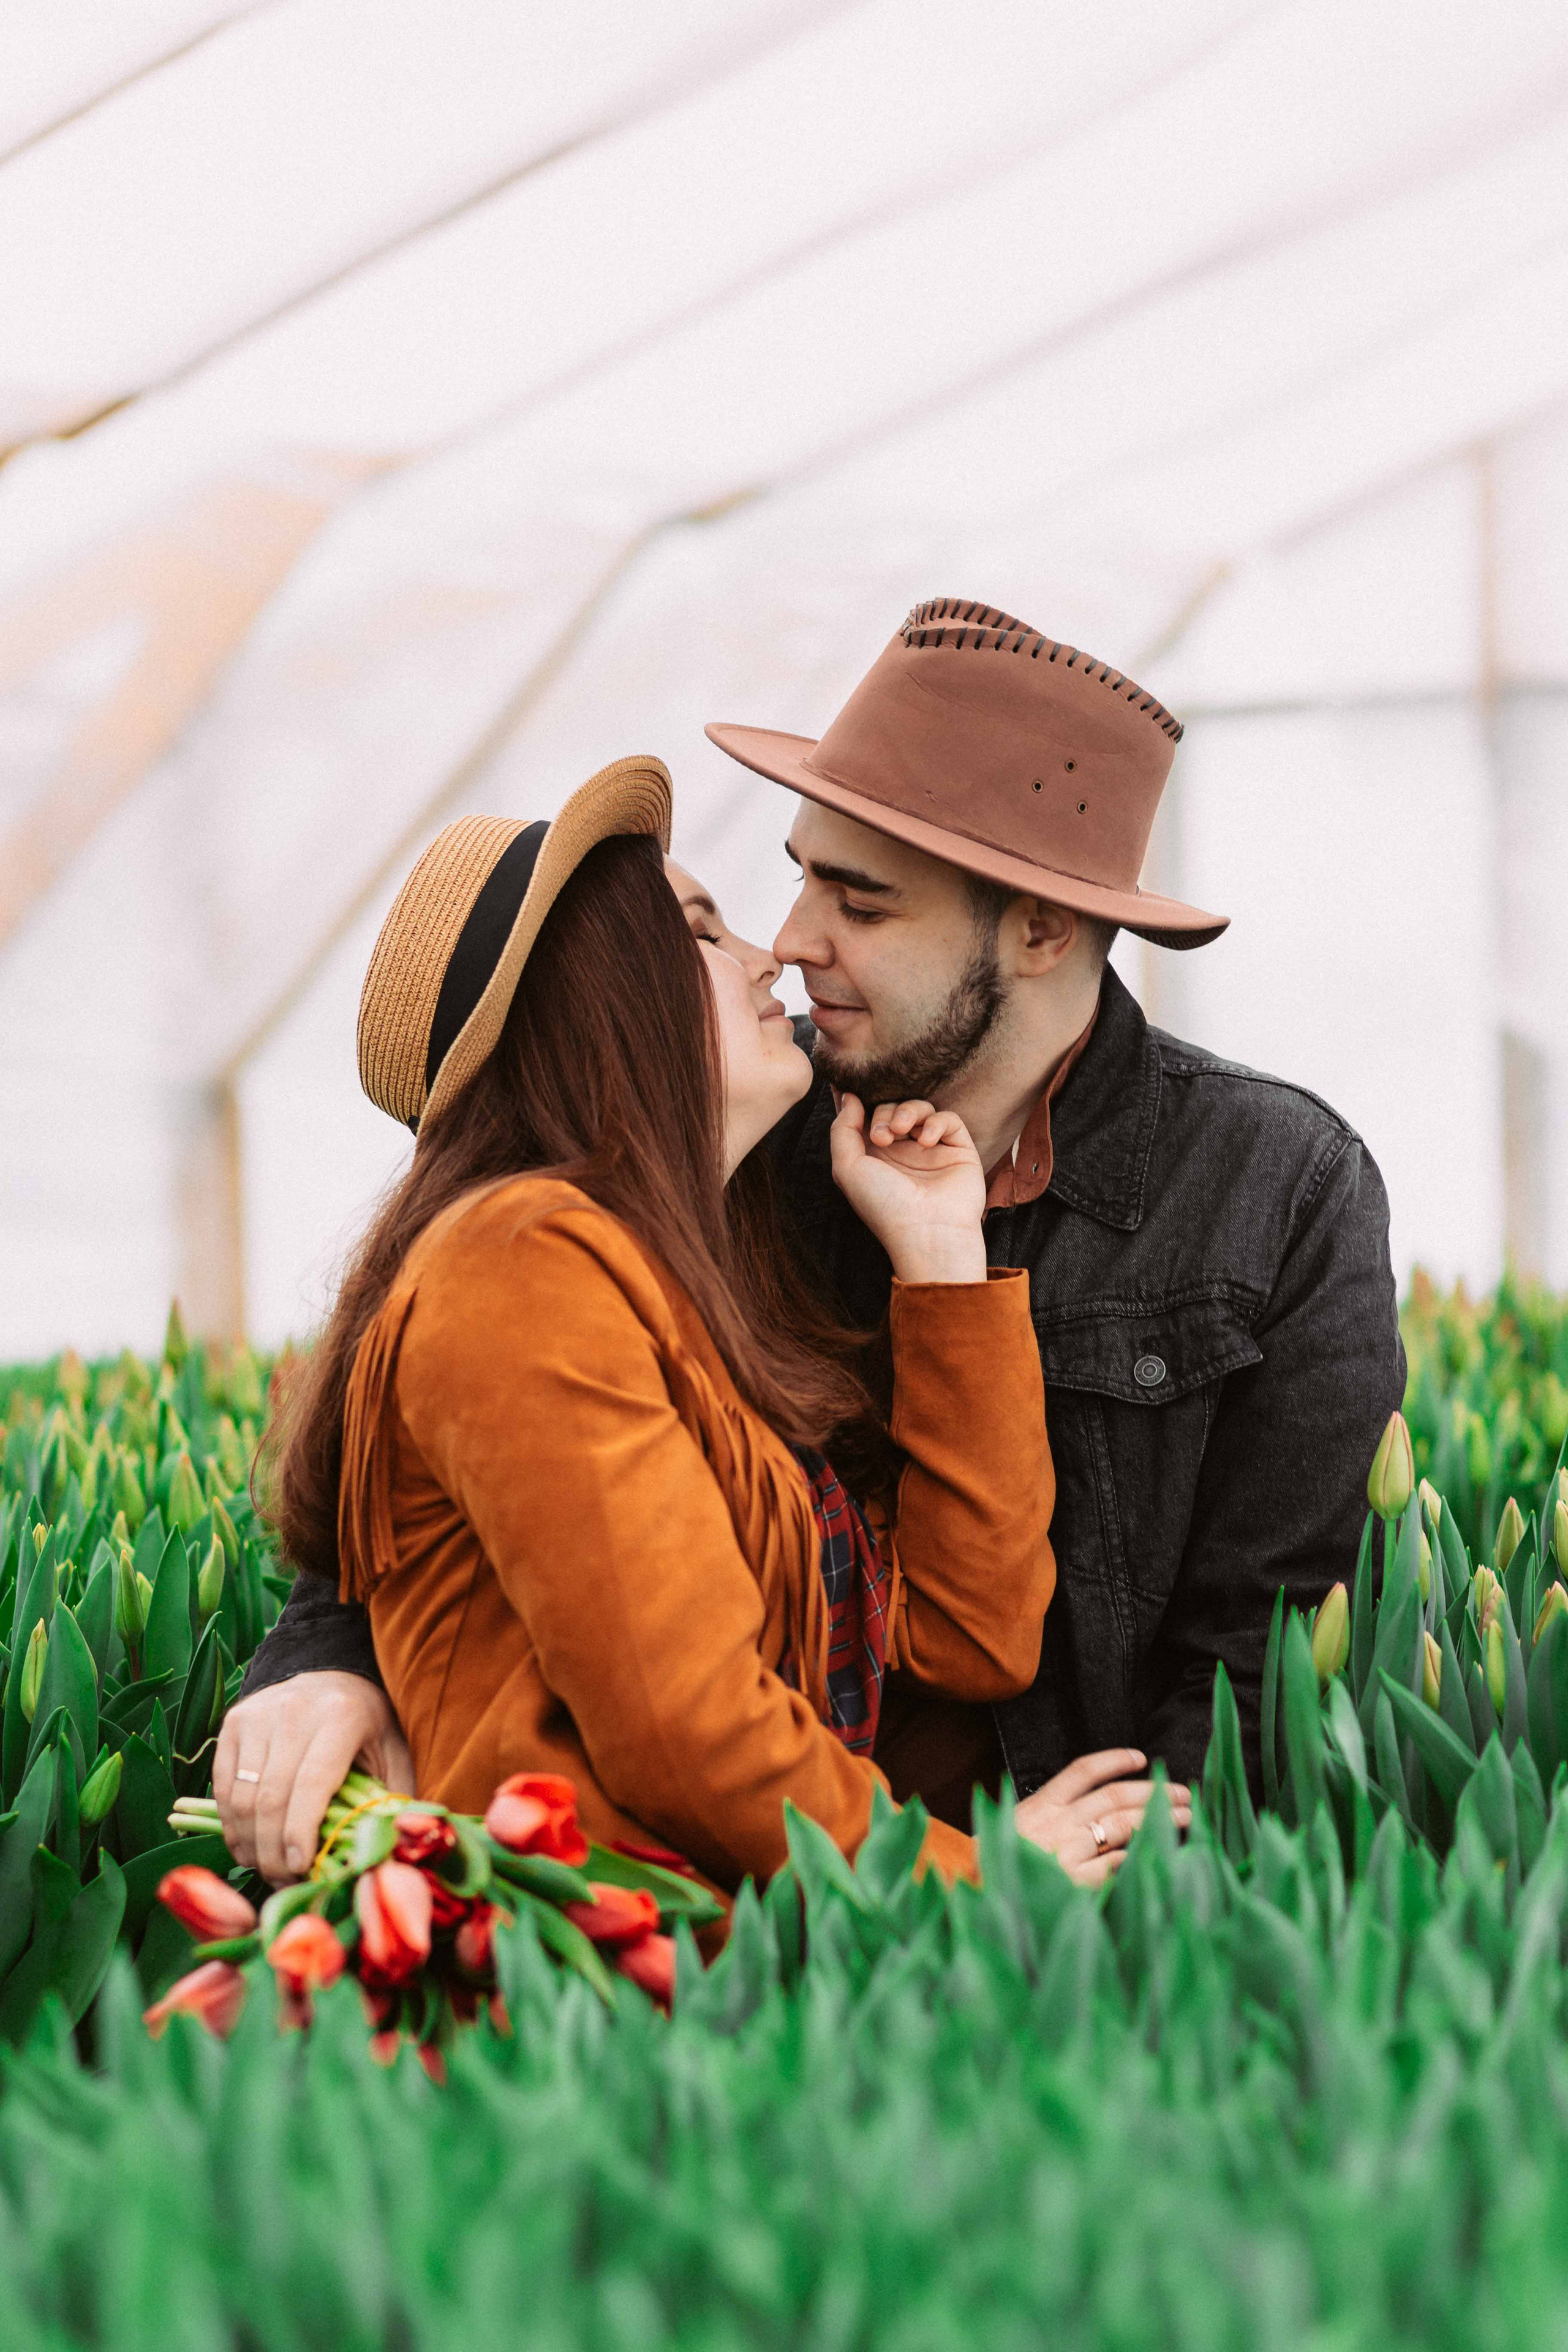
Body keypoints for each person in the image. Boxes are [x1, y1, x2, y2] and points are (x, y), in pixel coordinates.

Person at [225, 595, 1403, 1844]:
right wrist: (322, 1656)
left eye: (862, 900)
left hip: (992, 1930)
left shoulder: (1277, 1186)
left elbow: (1250, 1660)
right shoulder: (728, 1133)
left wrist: (1097, 1943)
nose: (786, 945)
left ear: (1043, 930)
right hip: (774, 1918)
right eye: (794, 879)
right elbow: (476, 1462)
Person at [235, 752, 1178, 1899]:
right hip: (598, 1999)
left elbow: (970, 1640)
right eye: (703, 931)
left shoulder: (684, 1290)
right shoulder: (518, 1262)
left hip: (724, 1971)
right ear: (601, 996)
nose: (767, 954)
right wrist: (977, 1882)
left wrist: (941, 1268)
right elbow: (685, 1723)